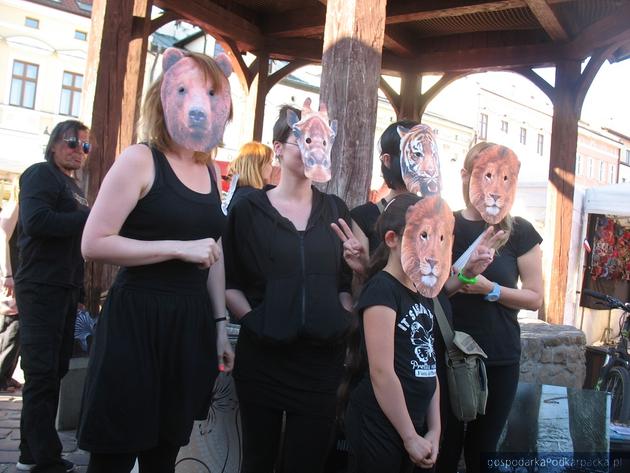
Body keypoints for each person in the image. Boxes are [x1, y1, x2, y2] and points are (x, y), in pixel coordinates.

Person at [77, 48, 234, 473]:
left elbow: (212, 253)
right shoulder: (141, 159)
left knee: (164, 454)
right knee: (113, 453)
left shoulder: (207, 171)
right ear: (166, 96)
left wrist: (219, 326)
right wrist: (177, 248)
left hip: (188, 325)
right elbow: (93, 243)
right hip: (137, 321)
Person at [223, 104, 353, 473]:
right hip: (263, 360)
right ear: (278, 148)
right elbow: (229, 278)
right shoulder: (249, 210)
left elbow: (346, 280)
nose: (313, 147)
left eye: (322, 140)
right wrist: (253, 319)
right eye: (303, 139)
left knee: (306, 463)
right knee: (258, 462)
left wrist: (341, 311)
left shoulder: (335, 210)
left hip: (320, 363)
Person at [436, 142, 544, 473]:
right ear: (466, 175)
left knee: (483, 452)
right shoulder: (445, 224)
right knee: (444, 448)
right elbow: (429, 292)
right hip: (449, 356)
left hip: (499, 358)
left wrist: (491, 289)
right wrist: (464, 278)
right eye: (485, 175)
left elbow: (535, 297)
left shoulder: (520, 231)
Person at [15, 119, 91, 472]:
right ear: (55, 143)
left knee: (54, 369)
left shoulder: (73, 187)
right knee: (42, 371)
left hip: (64, 288)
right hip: (41, 286)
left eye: (86, 146)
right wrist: (88, 218)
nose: (79, 150)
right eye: (73, 142)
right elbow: (36, 221)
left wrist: (79, 290)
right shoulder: (40, 174)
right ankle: (44, 457)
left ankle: (29, 452)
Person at [350, 120, 419, 258]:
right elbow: (361, 276)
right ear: (387, 160)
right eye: (415, 154)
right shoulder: (363, 216)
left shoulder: (434, 214)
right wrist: (363, 269)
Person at [0, 178, 21, 393]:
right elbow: (2, 233)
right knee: (11, 325)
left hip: (17, 274)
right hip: (11, 275)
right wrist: (7, 273)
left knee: (17, 325)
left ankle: (6, 373)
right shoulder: (16, 203)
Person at [223, 141, 273, 214]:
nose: (271, 167)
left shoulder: (241, 193)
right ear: (257, 166)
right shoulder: (250, 198)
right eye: (270, 163)